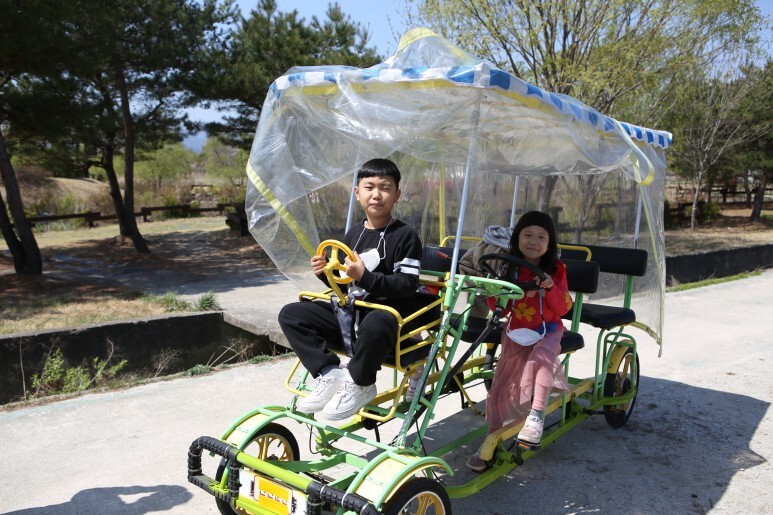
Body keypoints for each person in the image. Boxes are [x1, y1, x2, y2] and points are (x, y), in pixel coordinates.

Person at [278, 158, 428, 421]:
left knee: (377, 320)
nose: (376, 194)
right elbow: (346, 284)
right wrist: (325, 273)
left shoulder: (405, 236)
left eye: (385, 188)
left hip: (387, 322)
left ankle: (360, 383)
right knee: (291, 313)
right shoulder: (353, 234)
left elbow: (407, 284)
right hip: (352, 315)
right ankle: (329, 372)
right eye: (369, 187)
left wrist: (366, 277)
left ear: (397, 195)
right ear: (357, 193)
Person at [466, 211, 573, 471]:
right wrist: (495, 288)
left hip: (548, 330)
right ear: (517, 239)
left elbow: (563, 308)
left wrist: (550, 287)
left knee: (540, 359)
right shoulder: (508, 268)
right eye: (527, 235)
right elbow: (499, 307)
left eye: (541, 237)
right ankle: (491, 438)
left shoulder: (556, 270)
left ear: (550, 243)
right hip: (516, 331)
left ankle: (536, 416)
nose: (533, 241)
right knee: (499, 388)